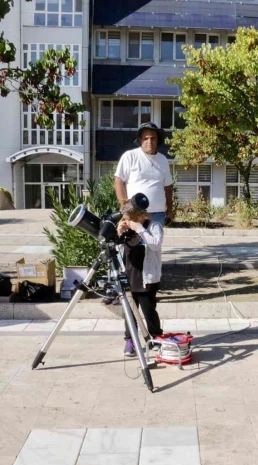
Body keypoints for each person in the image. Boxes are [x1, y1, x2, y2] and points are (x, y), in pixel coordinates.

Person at [114, 122, 172, 355]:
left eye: (154, 138)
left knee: (151, 260)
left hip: (156, 214)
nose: (150, 141)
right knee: (132, 265)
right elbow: (119, 181)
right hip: (132, 212)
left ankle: (153, 333)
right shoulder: (130, 156)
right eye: (146, 138)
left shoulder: (163, 161)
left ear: (158, 140)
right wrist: (125, 209)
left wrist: (169, 209)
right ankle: (130, 337)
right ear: (140, 140)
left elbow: (167, 187)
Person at [117, 208, 164, 356]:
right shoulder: (126, 229)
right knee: (129, 313)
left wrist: (139, 229)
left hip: (146, 278)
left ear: (142, 216)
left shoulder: (154, 226)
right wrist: (118, 233)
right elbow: (117, 250)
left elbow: (155, 244)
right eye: (126, 219)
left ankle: (156, 337)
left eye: (131, 219)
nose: (128, 222)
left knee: (149, 310)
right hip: (128, 276)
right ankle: (130, 340)